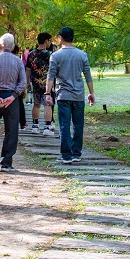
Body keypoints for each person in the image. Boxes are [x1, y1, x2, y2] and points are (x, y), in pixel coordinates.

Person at [44, 27, 94, 164]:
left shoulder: (56, 55)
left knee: (65, 125)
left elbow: (51, 76)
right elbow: (88, 76)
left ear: (60, 38)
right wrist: (91, 93)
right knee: (78, 125)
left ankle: (66, 155)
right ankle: (76, 153)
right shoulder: (82, 54)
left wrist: (48, 93)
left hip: (63, 95)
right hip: (78, 95)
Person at [0, 32, 27, 172]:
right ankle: (7, 163)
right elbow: (23, 82)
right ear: (13, 46)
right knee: (12, 129)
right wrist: (13, 96)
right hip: (11, 100)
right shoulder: (18, 61)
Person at [25, 32, 55, 136]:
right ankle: (47, 127)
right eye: (49, 40)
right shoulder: (50, 54)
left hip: (35, 82)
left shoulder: (31, 54)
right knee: (48, 104)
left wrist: (27, 82)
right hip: (48, 84)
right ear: (46, 41)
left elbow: (28, 69)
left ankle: (35, 126)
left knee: (36, 104)